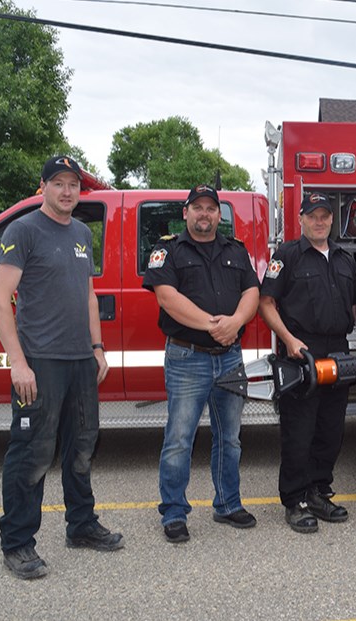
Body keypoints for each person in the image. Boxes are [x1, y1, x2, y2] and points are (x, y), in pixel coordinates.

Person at [0, 155, 123, 580]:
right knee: (32, 453)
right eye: (59, 183)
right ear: (43, 187)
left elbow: (87, 296)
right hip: (40, 363)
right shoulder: (23, 230)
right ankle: (18, 543)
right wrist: (18, 363)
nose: (68, 191)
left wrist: (98, 347)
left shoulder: (83, 232)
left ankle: (81, 525)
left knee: (82, 447)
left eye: (74, 185)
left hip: (81, 361)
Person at [143, 184, 260, 544]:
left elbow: (251, 292)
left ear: (218, 214)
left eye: (212, 208)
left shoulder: (235, 250)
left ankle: (227, 504)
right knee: (179, 438)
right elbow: (167, 297)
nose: (205, 214)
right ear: (186, 213)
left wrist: (236, 322)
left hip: (229, 357)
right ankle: (174, 512)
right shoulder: (168, 250)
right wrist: (216, 325)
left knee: (231, 438)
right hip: (186, 357)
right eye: (198, 208)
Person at [258, 192, 356, 534]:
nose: (320, 221)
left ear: (331, 220)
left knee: (330, 430)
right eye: (313, 216)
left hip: (337, 353)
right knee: (299, 432)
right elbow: (266, 303)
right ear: (301, 219)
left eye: (325, 216)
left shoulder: (343, 259)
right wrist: (289, 340)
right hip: (301, 354)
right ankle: (294, 500)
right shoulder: (287, 256)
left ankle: (318, 492)